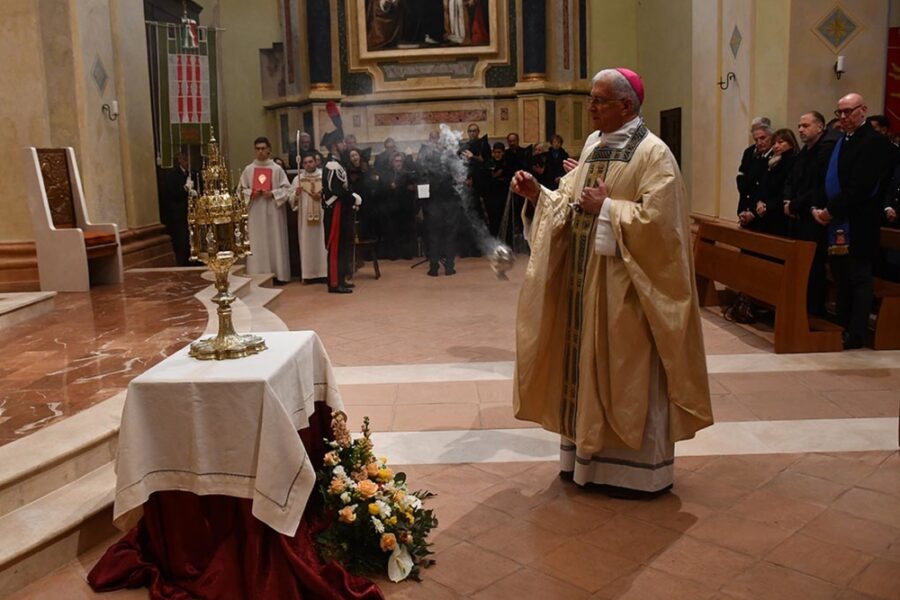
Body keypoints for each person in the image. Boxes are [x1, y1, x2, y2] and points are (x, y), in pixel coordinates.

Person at [511, 68, 713, 497]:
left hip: (628, 290)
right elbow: (568, 203)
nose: (590, 108)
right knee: (585, 368)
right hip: (584, 289)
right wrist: (538, 196)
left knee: (626, 371)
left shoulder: (654, 155)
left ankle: (634, 473)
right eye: (590, 99)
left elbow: (663, 227)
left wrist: (608, 209)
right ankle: (585, 463)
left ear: (626, 105)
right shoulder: (594, 147)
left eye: (599, 100)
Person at [813, 93, 895, 349]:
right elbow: (827, 179)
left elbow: (860, 186)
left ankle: (856, 332)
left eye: (849, 111)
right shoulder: (841, 142)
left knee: (859, 278)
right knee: (840, 277)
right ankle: (841, 325)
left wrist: (829, 212)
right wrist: (819, 207)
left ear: (863, 111)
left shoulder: (874, 143)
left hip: (859, 223)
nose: (844, 117)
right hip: (838, 220)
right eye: (840, 113)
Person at [784, 111, 836, 317]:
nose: (800, 130)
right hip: (797, 215)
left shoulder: (825, 150)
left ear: (820, 127)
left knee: (814, 268)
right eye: (799, 126)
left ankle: (814, 311)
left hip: (811, 218)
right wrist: (787, 201)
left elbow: (818, 185)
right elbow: (791, 179)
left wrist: (795, 205)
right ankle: (800, 306)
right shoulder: (805, 151)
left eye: (805, 126)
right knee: (800, 266)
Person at [239, 136, 292, 285]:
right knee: (257, 241)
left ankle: (278, 273)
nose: (261, 151)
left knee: (274, 239)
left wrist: (274, 193)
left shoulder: (276, 169)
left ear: (269, 150)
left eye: (263, 148)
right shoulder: (248, 170)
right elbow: (240, 191)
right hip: (255, 211)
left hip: (273, 212)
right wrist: (251, 193)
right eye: (258, 149)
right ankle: (257, 272)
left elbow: (287, 190)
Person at [321, 131, 361, 293]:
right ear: (334, 146)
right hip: (335, 209)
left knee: (344, 244)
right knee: (336, 246)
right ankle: (334, 283)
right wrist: (353, 199)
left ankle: (341, 278)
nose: (345, 145)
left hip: (342, 208)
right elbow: (337, 190)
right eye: (342, 143)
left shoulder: (338, 163)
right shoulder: (331, 165)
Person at [289, 152, 327, 283]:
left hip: (322, 215)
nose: (308, 165)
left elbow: (330, 194)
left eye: (310, 162)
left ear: (316, 162)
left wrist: (321, 196)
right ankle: (308, 274)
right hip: (305, 218)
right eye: (305, 163)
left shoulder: (324, 176)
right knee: (306, 243)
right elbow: (291, 200)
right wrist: (296, 194)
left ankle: (324, 273)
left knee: (322, 242)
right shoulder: (298, 179)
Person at [753, 128, 798, 237]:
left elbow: (786, 189)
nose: (776, 146)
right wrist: (759, 201)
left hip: (780, 214)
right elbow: (763, 186)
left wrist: (768, 205)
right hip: (766, 212)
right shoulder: (772, 163)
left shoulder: (793, 161)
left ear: (791, 143)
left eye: (780, 142)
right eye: (774, 143)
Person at [159, 151, 198, 266]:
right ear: (180, 160)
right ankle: (184, 262)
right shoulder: (172, 175)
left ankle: (194, 260)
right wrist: (185, 189)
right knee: (183, 240)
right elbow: (170, 195)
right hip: (179, 213)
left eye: (189, 160)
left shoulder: (193, 173)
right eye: (185, 160)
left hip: (192, 211)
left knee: (193, 238)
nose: (187, 163)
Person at [737, 120, 774, 231]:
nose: (759, 142)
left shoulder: (775, 156)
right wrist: (743, 210)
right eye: (756, 139)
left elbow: (767, 186)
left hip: (763, 212)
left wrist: (753, 211)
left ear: (771, 137)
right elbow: (741, 177)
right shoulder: (749, 153)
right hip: (746, 206)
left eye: (763, 138)